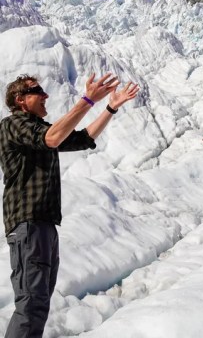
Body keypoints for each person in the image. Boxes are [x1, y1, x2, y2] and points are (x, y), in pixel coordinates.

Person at [0, 73, 139, 338]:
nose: (45, 95)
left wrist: (110, 107)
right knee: (30, 305)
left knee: (37, 305)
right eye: (37, 90)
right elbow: (53, 139)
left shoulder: (39, 129)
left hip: (42, 225)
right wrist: (87, 100)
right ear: (20, 100)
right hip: (28, 224)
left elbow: (82, 138)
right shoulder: (13, 124)